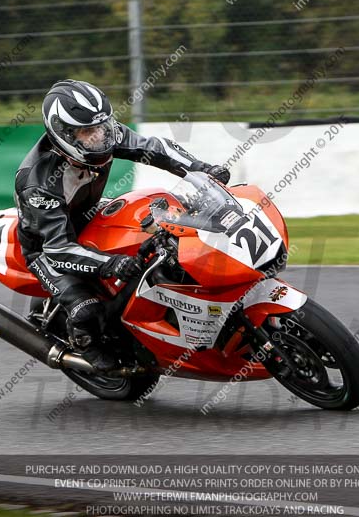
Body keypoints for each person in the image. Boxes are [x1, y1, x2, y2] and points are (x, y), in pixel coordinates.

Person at [14, 79, 230, 370]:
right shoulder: (37, 183)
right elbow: (59, 248)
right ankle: (83, 340)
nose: (100, 137)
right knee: (87, 309)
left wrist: (202, 171)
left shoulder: (103, 136)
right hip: (47, 247)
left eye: (102, 126)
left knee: (164, 243)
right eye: (88, 131)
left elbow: (157, 149)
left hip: (89, 215)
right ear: (64, 134)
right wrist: (110, 263)